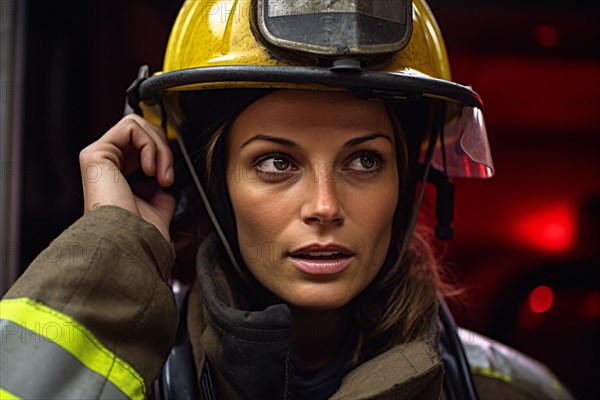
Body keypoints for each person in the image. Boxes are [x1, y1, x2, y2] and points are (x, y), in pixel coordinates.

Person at [0, 1, 574, 399]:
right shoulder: (123, 371)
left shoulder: (516, 392)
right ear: (209, 185)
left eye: (364, 160)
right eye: (276, 162)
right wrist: (110, 262)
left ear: (408, 184)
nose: (324, 205)